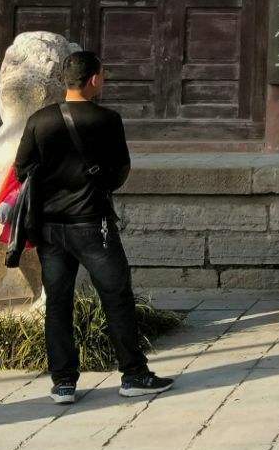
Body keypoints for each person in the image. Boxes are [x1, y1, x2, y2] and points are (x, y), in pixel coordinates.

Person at [13, 49, 172, 405]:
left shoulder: (40, 120)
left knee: (58, 301)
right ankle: (134, 374)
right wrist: (95, 183)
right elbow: (120, 171)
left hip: (51, 229)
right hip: (92, 224)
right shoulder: (107, 120)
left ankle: (64, 383)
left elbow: (22, 168)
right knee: (116, 297)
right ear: (94, 80)